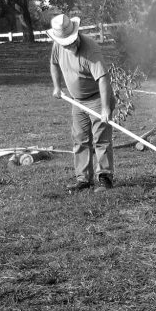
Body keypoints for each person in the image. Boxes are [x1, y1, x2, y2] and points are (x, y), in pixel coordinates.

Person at [48, 14, 116, 192]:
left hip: (97, 98)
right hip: (77, 101)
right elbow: (54, 63)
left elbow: (103, 78)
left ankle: (105, 178)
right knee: (80, 139)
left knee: (101, 140)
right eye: (67, 43)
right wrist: (57, 87)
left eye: (73, 40)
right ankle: (84, 179)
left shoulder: (90, 49)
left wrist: (105, 107)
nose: (71, 44)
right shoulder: (58, 45)